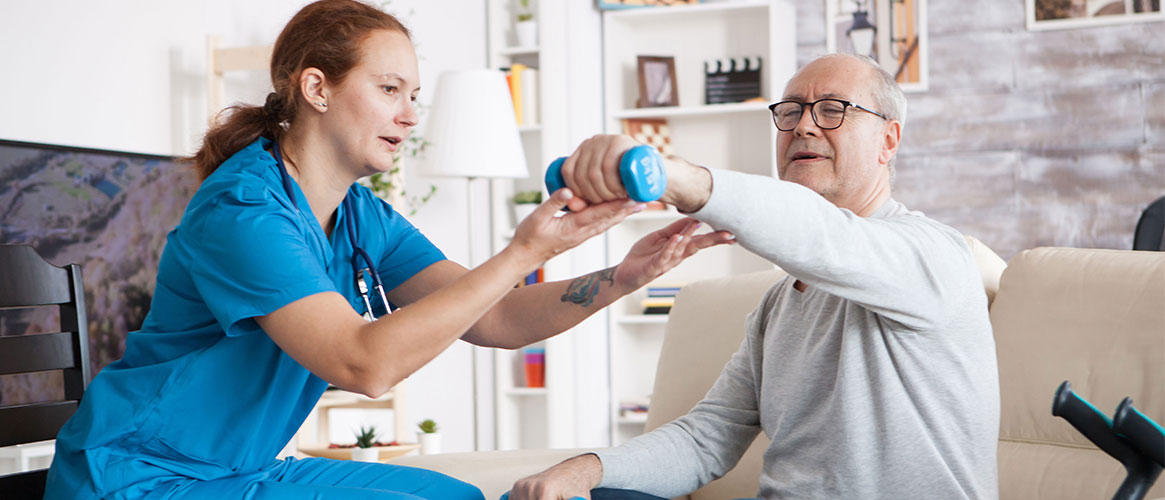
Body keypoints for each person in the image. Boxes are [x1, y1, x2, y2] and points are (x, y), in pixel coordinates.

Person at [42, 1, 734, 499]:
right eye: (388, 89)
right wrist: (522, 250)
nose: (409, 113)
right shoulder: (243, 212)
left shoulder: (358, 213)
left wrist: (621, 275)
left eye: (414, 95)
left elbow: (493, 319)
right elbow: (362, 363)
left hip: (235, 469)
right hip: (136, 476)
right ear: (316, 88)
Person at [511, 53, 1000, 500]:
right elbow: (708, 437)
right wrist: (584, 471)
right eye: (790, 111)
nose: (804, 126)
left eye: (833, 110)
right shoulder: (779, 303)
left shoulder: (936, 256)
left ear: (887, 141)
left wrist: (674, 176)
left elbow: (826, 238)